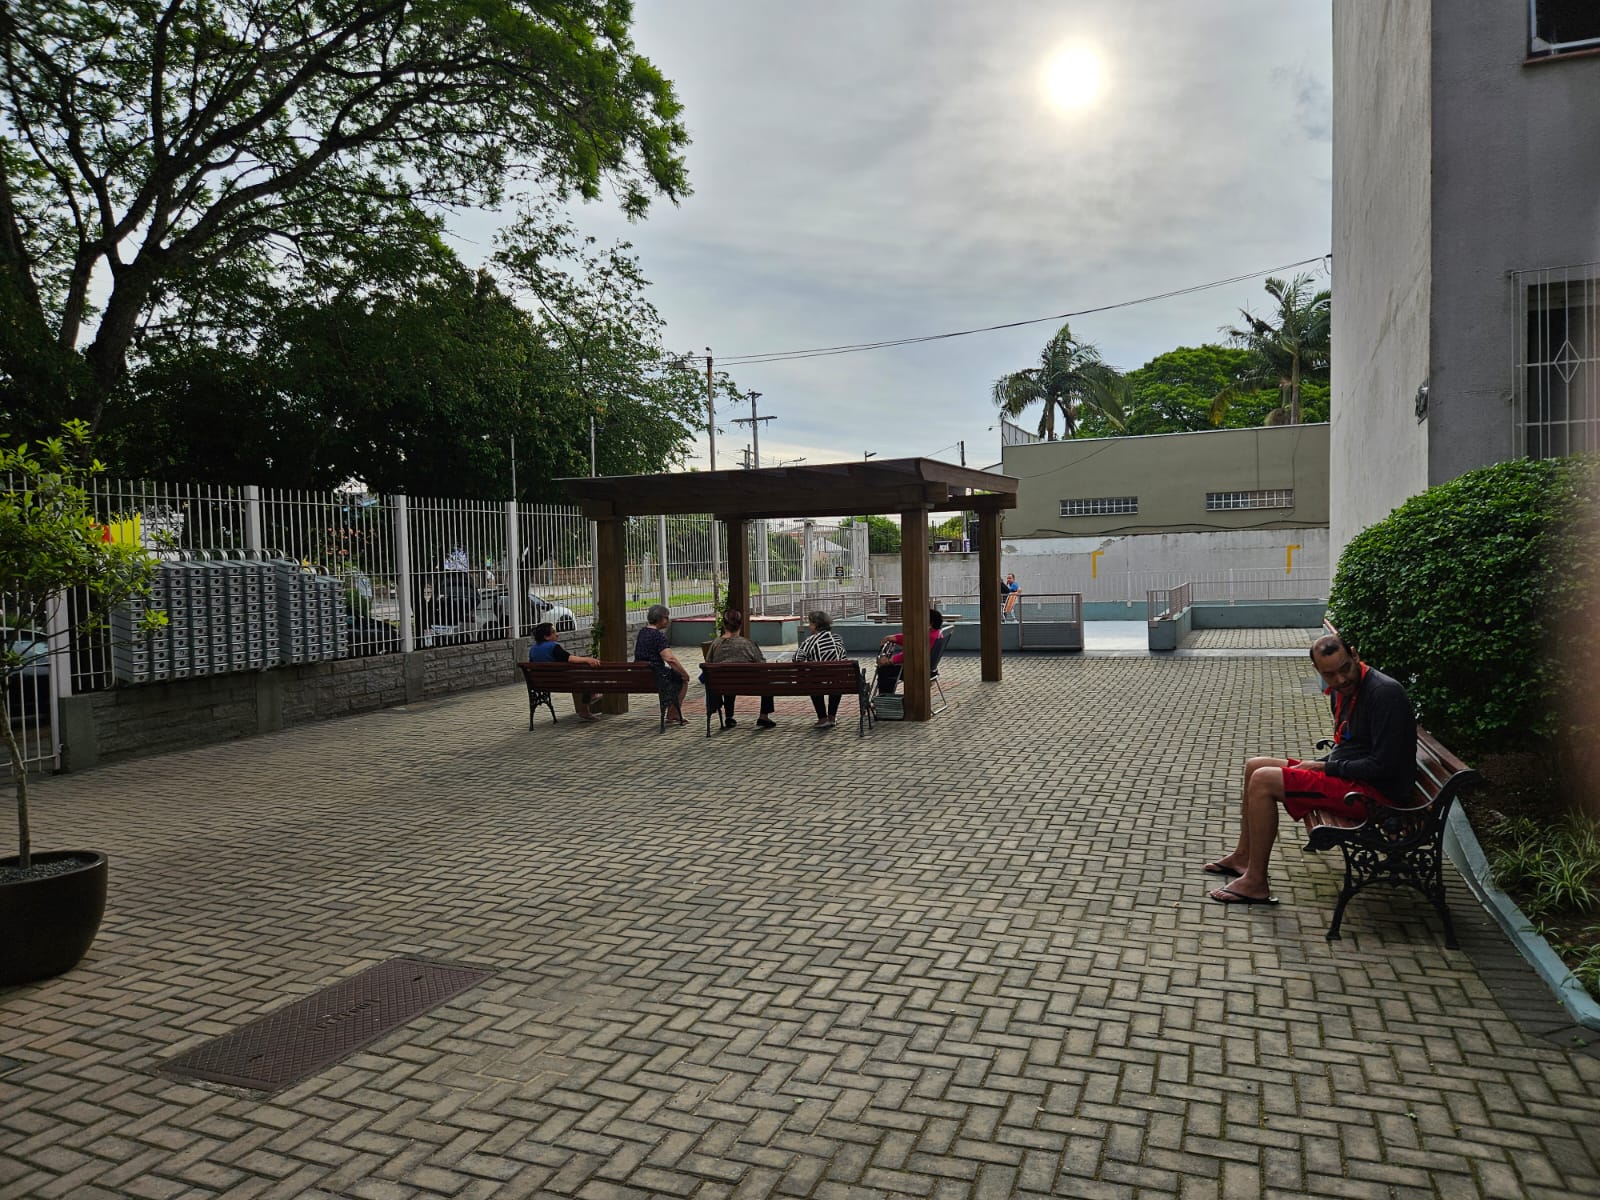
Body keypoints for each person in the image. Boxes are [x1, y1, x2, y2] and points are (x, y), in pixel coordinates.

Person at [1204, 633, 1416, 905]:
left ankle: (1256, 882)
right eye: (1330, 675)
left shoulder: (1384, 693)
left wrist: (1324, 767)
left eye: (1345, 668)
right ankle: (1243, 857)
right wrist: (1324, 766)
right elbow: (1351, 746)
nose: (1341, 679)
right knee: (1255, 765)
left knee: (1264, 780)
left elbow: (1383, 766)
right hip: (1352, 779)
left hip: (1376, 795)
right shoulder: (1343, 691)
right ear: (1317, 670)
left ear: (1354, 654)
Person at [705, 609, 776, 729]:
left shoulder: (715, 644)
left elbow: (708, 663)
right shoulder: (748, 644)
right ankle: (763, 716)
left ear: (724, 625)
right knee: (767, 680)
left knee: (728, 679)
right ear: (740, 625)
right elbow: (762, 664)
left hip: (723, 685)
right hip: (749, 684)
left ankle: (729, 717)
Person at [527, 622, 603, 721]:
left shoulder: (532, 650)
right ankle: (591, 697)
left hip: (541, 684)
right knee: (585, 677)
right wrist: (587, 659)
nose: (557, 634)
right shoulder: (553, 647)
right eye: (554, 632)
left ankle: (586, 709)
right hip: (564, 682)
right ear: (546, 637)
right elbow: (569, 658)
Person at [633, 604, 689, 726]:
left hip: (640, 675)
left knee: (673, 676)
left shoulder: (642, 632)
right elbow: (670, 659)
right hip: (655, 675)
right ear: (660, 618)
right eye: (666, 617)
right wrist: (684, 673)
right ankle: (673, 713)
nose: (668, 620)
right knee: (682, 679)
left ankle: (672, 712)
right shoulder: (658, 636)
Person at [795, 610, 849, 728]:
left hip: (818, 682)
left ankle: (822, 718)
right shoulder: (837, 639)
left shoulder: (809, 641)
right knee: (837, 677)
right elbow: (843, 658)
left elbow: (797, 659)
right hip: (838, 683)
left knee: (814, 679)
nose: (809, 626)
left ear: (815, 625)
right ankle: (832, 717)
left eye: (810, 624)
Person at [875, 608, 944, 695]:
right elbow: (912, 640)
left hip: (918, 672)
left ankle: (885, 698)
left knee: (885, 669)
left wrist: (890, 661)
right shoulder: (937, 634)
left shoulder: (928, 637)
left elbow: (911, 653)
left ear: (930, 624)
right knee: (889, 668)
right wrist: (894, 638)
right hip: (929, 670)